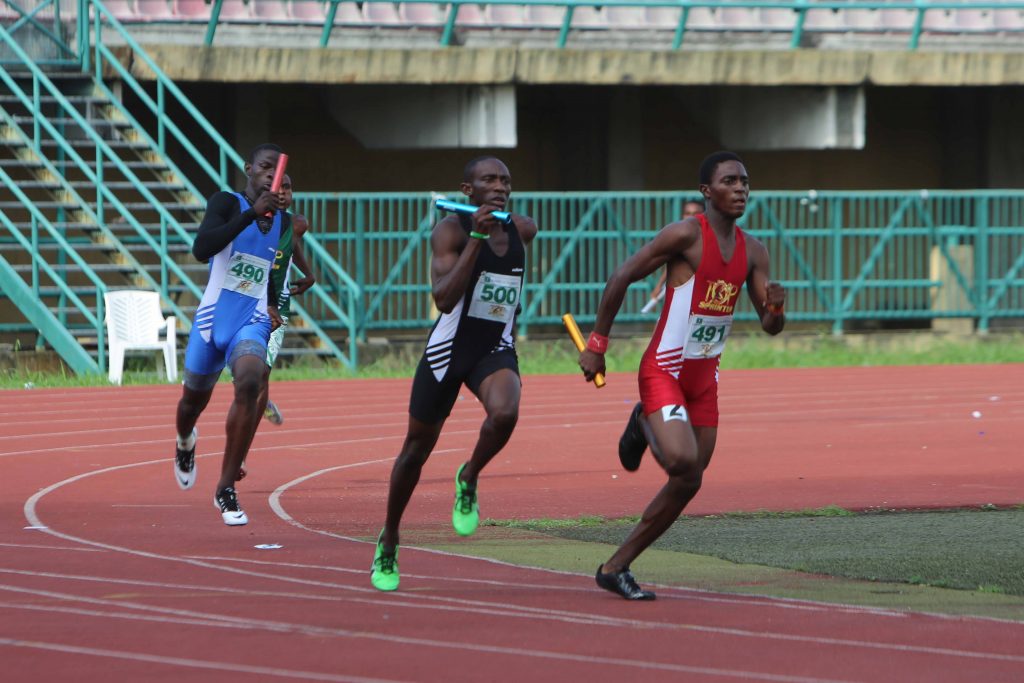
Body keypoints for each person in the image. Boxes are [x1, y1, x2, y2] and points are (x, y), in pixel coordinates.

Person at [578, 151, 785, 600]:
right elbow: (621, 276)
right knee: (681, 461)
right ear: (707, 192)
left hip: (704, 380)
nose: (741, 188)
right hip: (664, 371)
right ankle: (641, 421)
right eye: (730, 181)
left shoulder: (755, 251)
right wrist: (597, 343)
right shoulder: (686, 236)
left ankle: (616, 566)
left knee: (691, 477)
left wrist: (775, 308)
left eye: (745, 181)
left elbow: (770, 327)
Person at [370, 156, 538, 592]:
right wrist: (477, 239)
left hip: (492, 348)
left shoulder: (523, 230)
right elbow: (444, 298)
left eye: (505, 180)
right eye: (489, 180)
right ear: (468, 190)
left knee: (505, 413)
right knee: (415, 450)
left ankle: (469, 476)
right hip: (449, 349)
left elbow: (509, 292)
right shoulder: (449, 231)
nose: (500, 186)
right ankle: (389, 537)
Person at [173, 143, 286, 526]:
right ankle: (186, 440)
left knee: (251, 379)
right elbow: (202, 249)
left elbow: (265, 267)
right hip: (211, 322)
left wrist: (270, 303)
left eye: (278, 171)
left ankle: (225, 486)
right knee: (191, 404)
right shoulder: (225, 201)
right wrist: (250, 215)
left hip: (249, 320)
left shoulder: (281, 219)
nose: (271, 176)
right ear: (249, 169)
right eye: (264, 167)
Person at [258, 173, 316, 429]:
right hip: (247, 302)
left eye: (287, 188)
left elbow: (292, 245)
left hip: (277, 307)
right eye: (276, 188)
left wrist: (308, 273)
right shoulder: (253, 221)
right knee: (246, 378)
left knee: (260, 372)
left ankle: (242, 452)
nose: (282, 193)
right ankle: (261, 399)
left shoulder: (297, 224)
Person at [643, 200, 704, 312]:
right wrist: (658, 287)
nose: (690, 217)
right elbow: (672, 265)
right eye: (687, 213)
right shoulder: (680, 239)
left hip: (703, 298)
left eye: (695, 213)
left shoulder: (708, 239)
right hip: (680, 298)